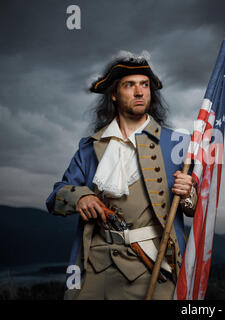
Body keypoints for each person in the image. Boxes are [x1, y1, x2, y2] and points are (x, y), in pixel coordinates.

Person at [46, 52, 197, 300]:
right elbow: (55, 198)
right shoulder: (89, 146)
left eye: (144, 85)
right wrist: (80, 197)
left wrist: (188, 192)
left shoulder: (177, 144)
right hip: (95, 265)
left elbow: (195, 207)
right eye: (130, 85)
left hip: (152, 265)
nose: (139, 92)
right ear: (114, 94)